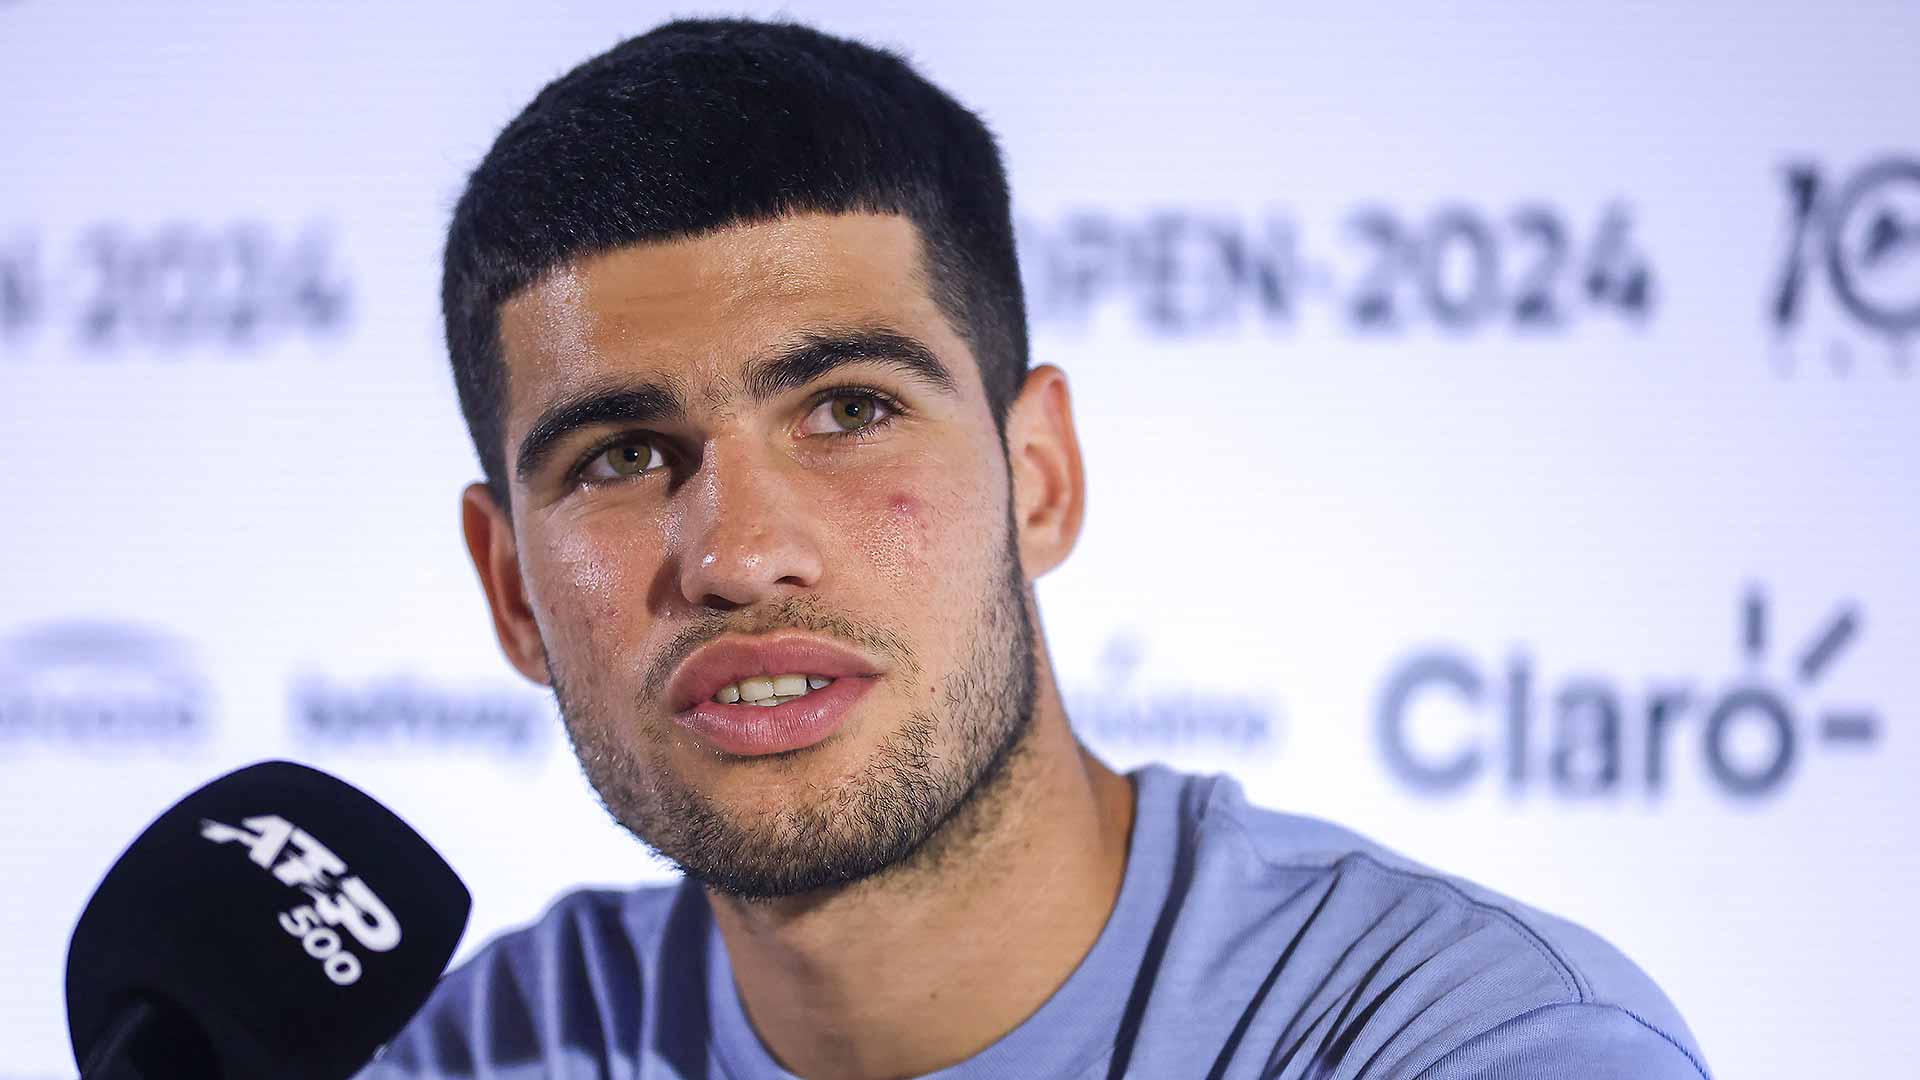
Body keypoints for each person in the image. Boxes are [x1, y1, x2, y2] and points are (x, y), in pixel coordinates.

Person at [360, 17, 1710, 1080]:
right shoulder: (491, 1049)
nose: (740, 553)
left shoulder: (1461, 1043)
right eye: (622, 457)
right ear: (511, 591)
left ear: (1040, 478)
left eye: (848, 412)